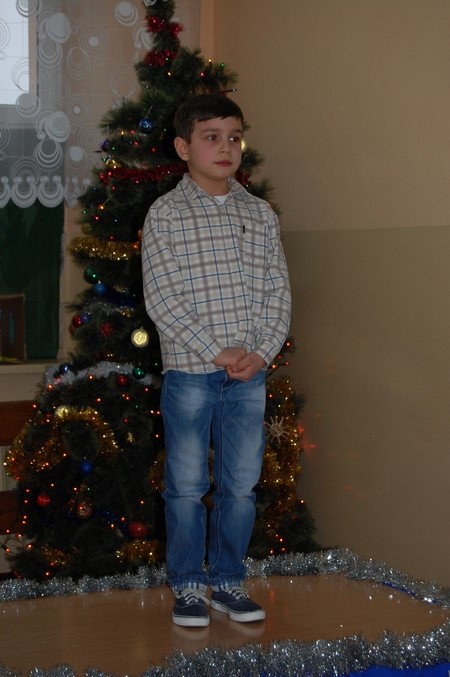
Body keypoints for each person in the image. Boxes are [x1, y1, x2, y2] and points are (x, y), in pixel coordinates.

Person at [141, 93, 291, 628]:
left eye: (234, 137)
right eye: (211, 137)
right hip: (191, 371)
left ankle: (228, 582)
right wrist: (213, 349)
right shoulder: (166, 214)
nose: (226, 147)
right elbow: (163, 298)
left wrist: (262, 351)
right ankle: (187, 586)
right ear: (184, 148)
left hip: (248, 374)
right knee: (185, 485)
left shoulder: (259, 213)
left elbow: (278, 291)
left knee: (240, 486)